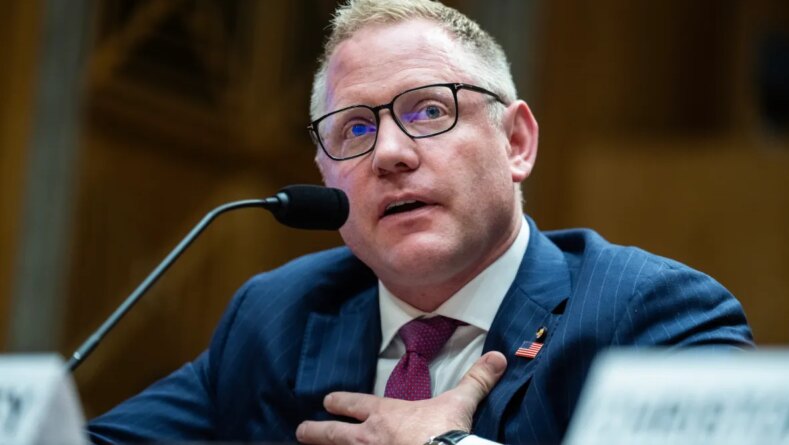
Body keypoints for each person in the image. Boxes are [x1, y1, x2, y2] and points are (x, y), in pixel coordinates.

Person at [87, 1, 753, 444]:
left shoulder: (648, 314)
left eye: (430, 111)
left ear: (516, 142)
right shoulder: (274, 317)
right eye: (353, 128)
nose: (389, 153)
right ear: (324, 174)